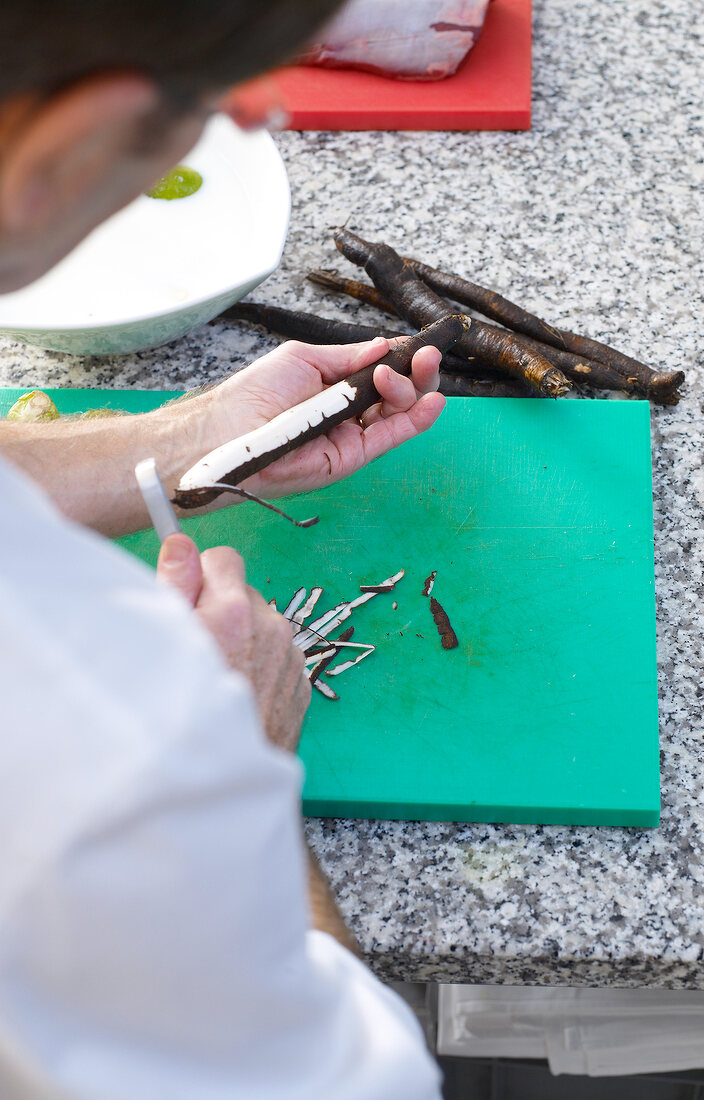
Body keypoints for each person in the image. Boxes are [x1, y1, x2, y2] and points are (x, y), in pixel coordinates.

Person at [0, 2, 444, 1097]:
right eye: (211, 100)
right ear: (66, 142)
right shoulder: (94, 734)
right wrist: (226, 762)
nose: (262, 112)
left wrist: (182, 445)